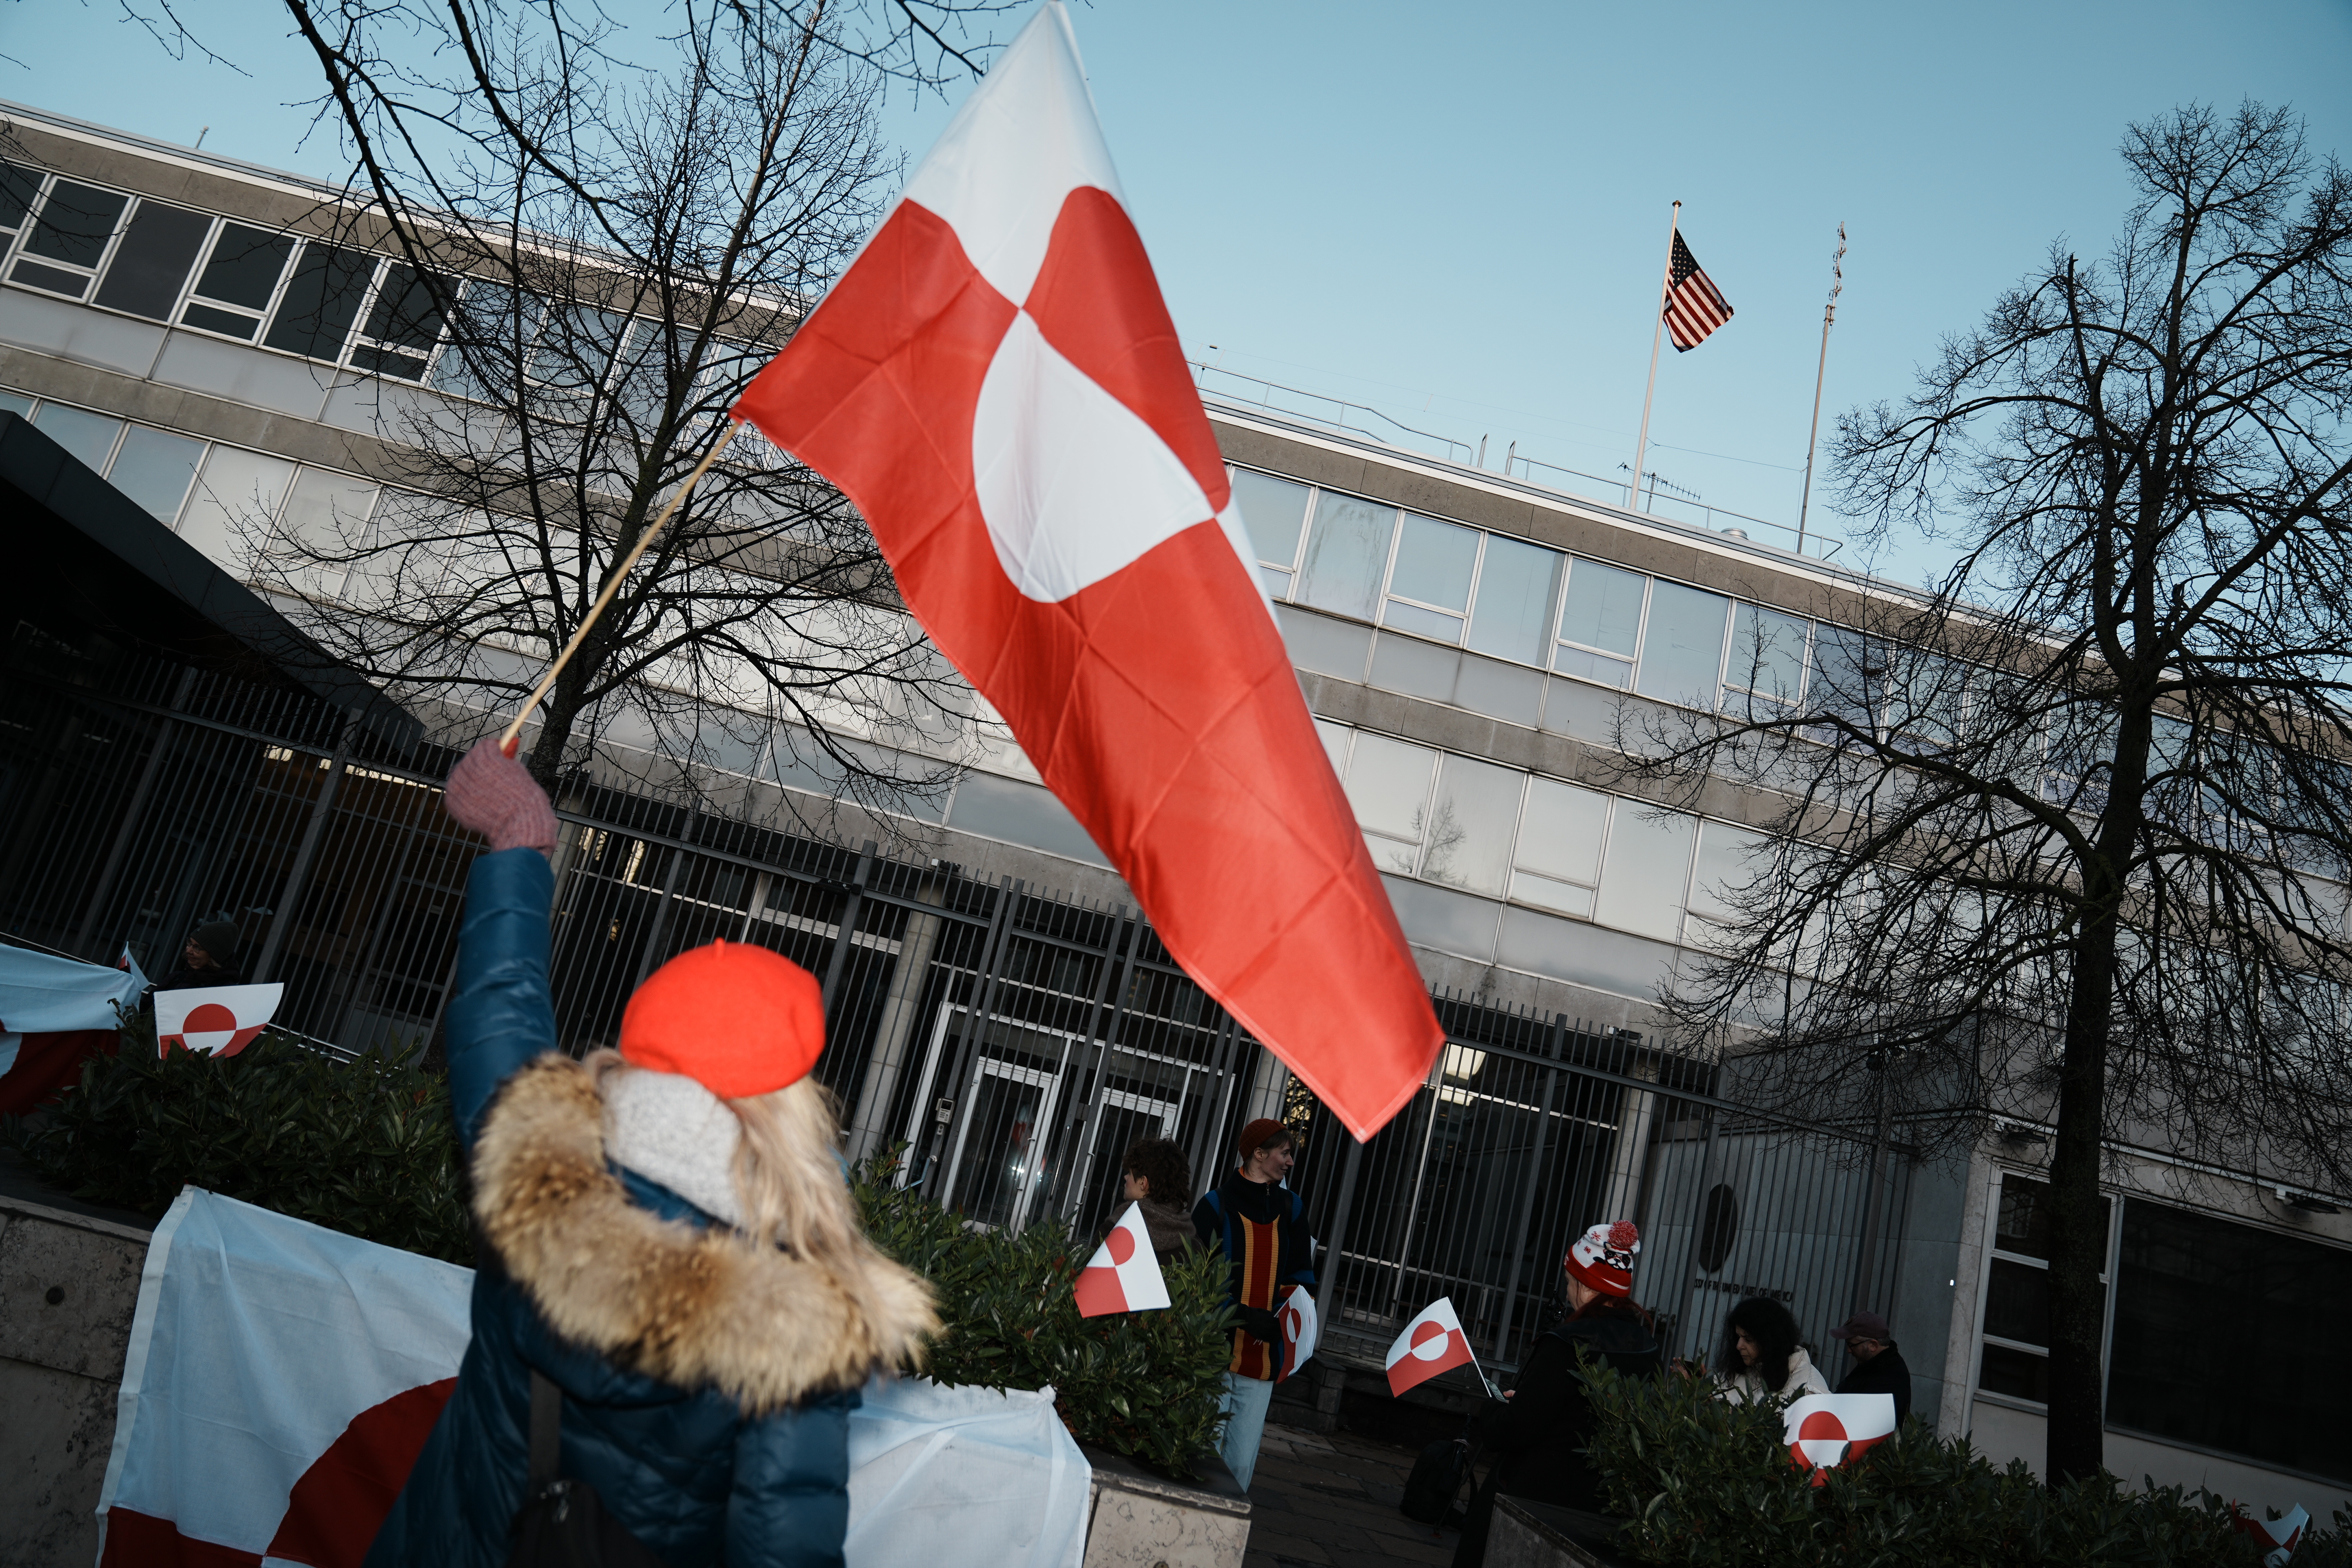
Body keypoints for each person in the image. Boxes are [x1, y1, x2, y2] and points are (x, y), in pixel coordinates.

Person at [368, 739, 937, 1568]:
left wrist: (519, 843)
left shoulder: (537, 1167)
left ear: (639, 1051)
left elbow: (501, 1011)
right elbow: (782, 1547)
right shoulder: (796, 1308)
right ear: (790, 1100)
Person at [1451, 1221, 1661, 1568]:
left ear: (1585, 1285)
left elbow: (1516, 1429)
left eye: (1569, 1283)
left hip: (1533, 1499)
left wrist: (1495, 1408)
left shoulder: (1566, 1344)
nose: (1566, 1293)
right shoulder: (1647, 1346)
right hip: (1601, 1506)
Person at [1192, 1117, 1312, 1491]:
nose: (1290, 1162)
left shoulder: (1292, 1208)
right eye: (1284, 1153)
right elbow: (1197, 1281)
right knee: (1202, 1454)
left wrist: (1288, 1321)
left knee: (1241, 1464)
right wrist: (1242, 1316)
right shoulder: (1214, 1205)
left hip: (1263, 1358)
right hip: (1213, 1351)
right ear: (1258, 1154)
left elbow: (1301, 1278)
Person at [1714, 1296, 1829, 1404]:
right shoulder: (1740, 1369)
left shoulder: (1810, 1391)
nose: (1739, 1346)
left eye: (1748, 1339)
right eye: (1738, 1337)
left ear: (1770, 1341)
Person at [1114, 1135, 1197, 1263]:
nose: (1126, 1178)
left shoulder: (1117, 1228)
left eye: (1130, 1173)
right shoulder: (1195, 1246)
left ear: (1143, 1183)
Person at [1830, 1308, 1912, 1423]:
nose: (1849, 1350)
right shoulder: (1872, 1363)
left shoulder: (1889, 1378)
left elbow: (1863, 1424)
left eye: (1852, 1345)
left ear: (1873, 1345)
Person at [151, 919, 245, 993]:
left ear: (214, 956)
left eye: (197, 947)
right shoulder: (176, 979)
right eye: (190, 943)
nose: (189, 950)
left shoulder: (228, 992)